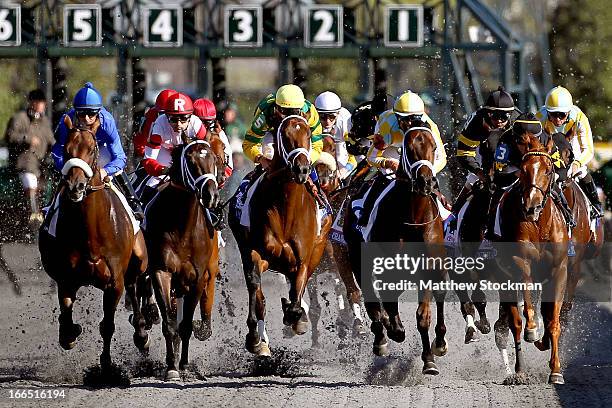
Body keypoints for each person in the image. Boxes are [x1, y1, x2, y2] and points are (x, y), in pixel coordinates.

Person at [52, 82, 144, 220]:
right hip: (78, 153)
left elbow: (120, 158)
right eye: (82, 114)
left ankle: (133, 204)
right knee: (67, 172)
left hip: (101, 150)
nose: (87, 118)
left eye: (91, 113)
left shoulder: (107, 122)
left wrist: (105, 171)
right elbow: (57, 152)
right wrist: (65, 168)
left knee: (115, 169)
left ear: (98, 112)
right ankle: (51, 207)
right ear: (76, 111)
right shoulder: (67, 121)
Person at [356, 91, 447, 227]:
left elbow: (442, 158)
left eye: (414, 118)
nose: (409, 123)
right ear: (396, 117)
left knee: (439, 201)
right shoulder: (387, 125)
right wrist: (388, 163)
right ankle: (365, 217)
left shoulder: (431, 128)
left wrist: (425, 171)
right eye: (405, 119)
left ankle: (448, 224)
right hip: (392, 159)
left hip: (418, 165)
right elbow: (372, 157)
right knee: (380, 185)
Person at [536, 86, 602, 217]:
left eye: (562, 114)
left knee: (581, 171)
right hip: (550, 142)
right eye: (553, 114)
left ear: (569, 111)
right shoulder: (539, 117)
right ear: (547, 111)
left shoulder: (579, 118)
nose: (558, 119)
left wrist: (576, 164)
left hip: (572, 141)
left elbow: (588, 150)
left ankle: (595, 204)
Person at [453, 86, 517, 213]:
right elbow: (463, 153)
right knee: (472, 180)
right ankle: (454, 216)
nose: (499, 120)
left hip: (512, 159)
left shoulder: (518, 121)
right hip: (483, 155)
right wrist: (479, 173)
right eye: (495, 115)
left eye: (504, 117)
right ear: (488, 112)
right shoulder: (476, 123)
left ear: (511, 115)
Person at [4, 89, 55, 224]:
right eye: (37, 102)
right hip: (24, 164)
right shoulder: (19, 118)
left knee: (52, 183)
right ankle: (34, 216)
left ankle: (49, 214)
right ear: (31, 102)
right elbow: (10, 137)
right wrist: (27, 139)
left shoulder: (45, 121)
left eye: (42, 102)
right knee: (30, 180)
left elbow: (51, 141)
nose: (40, 105)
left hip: (41, 164)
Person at [314, 91, 356, 180]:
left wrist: (344, 170)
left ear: (338, 114)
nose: (327, 121)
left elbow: (352, 159)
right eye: (322, 117)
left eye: (332, 117)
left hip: (344, 148)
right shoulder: (312, 120)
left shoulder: (345, 121)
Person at [132, 89, 177, 159]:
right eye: (162, 114)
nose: (165, 118)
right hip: (158, 152)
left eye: (170, 114)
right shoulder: (151, 117)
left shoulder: (188, 119)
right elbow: (140, 144)